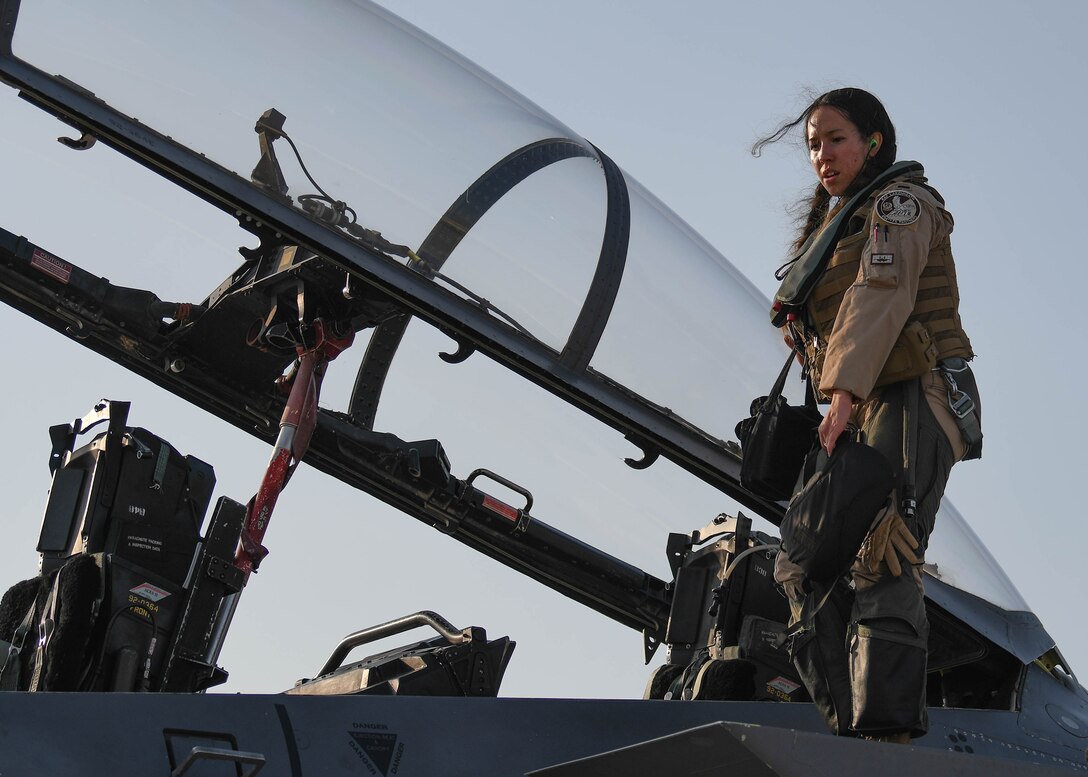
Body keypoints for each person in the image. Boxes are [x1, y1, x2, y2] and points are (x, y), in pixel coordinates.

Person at [753, 88, 982, 742]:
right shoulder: (842, 226)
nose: (822, 156)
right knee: (799, 562)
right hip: (861, 405)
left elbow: (881, 293)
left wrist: (844, 392)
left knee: (885, 551)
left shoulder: (900, 204)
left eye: (836, 139)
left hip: (913, 395)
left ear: (873, 142)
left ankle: (886, 739)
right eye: (813, 145)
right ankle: (847, 730)